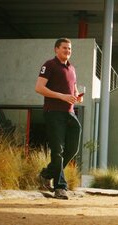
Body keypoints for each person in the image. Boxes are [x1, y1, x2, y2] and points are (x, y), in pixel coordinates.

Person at [35, 38, 83, 200]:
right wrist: (61, 96)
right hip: (53, 112)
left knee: (73, 148)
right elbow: (39, 88)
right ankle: (60, 187)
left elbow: (74, 90)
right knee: (58, 150)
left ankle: (46, 174)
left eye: (69, 49)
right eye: (64, 48)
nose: (68, 51)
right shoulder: (49, 65)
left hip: (69, 113)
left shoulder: (72, 68)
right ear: (56, 49)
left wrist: (77, 97)